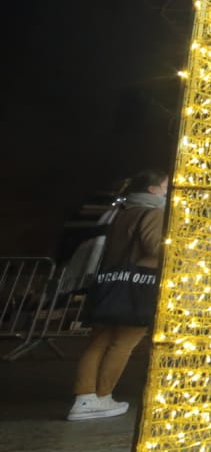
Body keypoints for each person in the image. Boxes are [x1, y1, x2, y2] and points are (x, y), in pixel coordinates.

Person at [70, 170, 168, 421]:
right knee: (123, 343)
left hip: (111, 284)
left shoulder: (122, 212)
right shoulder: (154, 212)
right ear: (152, 190)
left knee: (98, 342)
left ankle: (84, 397)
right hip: (138, 285)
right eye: (166, 185)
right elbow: (153, 246)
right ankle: (103, 396)